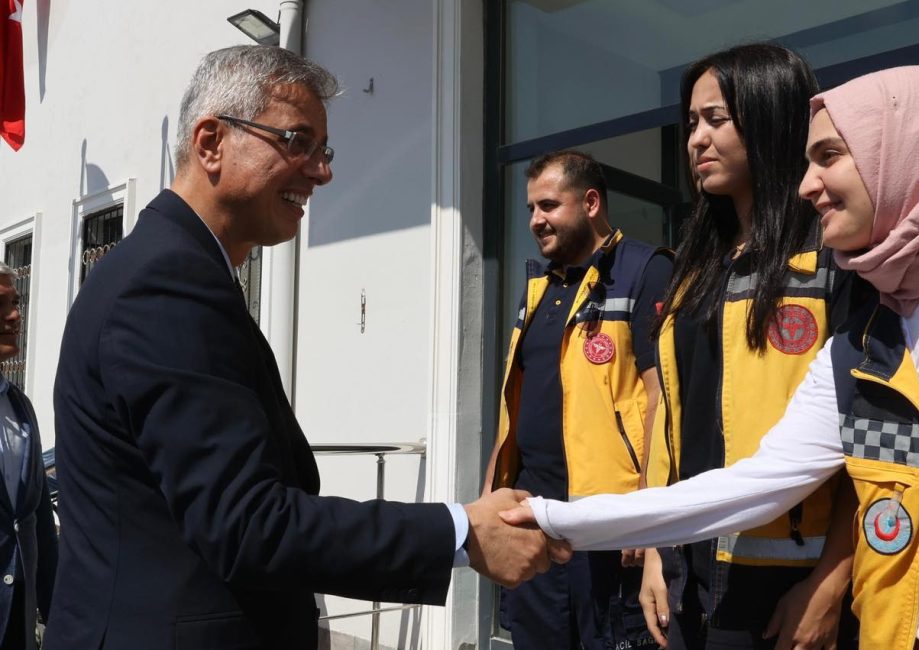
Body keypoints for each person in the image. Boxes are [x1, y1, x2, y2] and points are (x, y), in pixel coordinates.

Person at [505, 65, 919, 648]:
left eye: (830, 157)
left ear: (906, 151)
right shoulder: (871, 338)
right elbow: (757, 483)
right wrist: (557, 520)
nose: (806, 184)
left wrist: (827, 582)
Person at [49, 45, 563, 650]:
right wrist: (460, 531)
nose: (321, 171)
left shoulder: (179, 271)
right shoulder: (166, 284)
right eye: (297, 141)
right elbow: (247, 525)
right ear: (211, 143)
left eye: (324, 150)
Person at [636, 43, 862, 650]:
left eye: (716, 119)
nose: (695, 140)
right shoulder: (693, 269)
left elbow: (874, 442)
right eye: (691, 124)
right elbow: (669, 421)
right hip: (688, 575)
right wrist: (657, 545)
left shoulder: (834, 263)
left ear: (769, 119)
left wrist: (830, 584)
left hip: (786, 586)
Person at [483, 149, 672, 649]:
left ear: (590, 202)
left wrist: (648, 515)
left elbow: (663, 400)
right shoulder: (538, 288)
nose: (535, 221)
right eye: (530, 209)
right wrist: (491, 500)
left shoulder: (645, 271)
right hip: (535, 522)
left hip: (606, 530)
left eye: (547, 206)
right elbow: (513, 408)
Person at [0, 265, 56, 650]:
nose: (16, 315)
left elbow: (35, 522)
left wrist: (58, 616)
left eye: (16, 302)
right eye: (0, 304)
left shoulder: (21, 409)